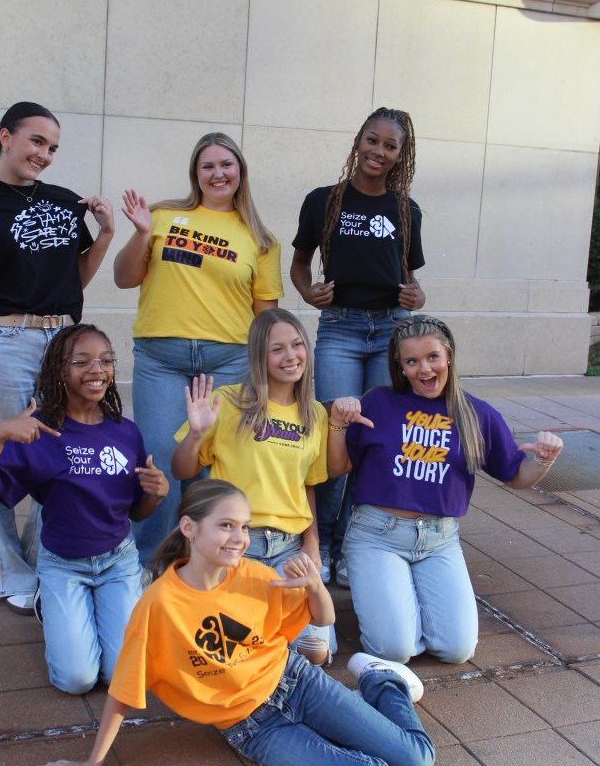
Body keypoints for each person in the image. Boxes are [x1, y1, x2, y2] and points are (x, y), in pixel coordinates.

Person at [31, 480, 435, 766]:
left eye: (244, 527)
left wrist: (314, 584)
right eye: (226, 525)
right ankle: (363, 720)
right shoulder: (158, 606)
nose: (239, 538)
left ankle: (382, 682)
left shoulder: (255, 574)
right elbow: (122, 692)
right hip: (255, 726)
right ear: (189, 528)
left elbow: (324, 619)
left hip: (297, 682)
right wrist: (92, 762)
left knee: (417, 762)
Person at [0, 101, 115, 613]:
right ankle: (8, 574)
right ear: (5, 137)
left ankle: (37, 558)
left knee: (63, 452)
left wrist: (105, 234)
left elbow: (75, 279)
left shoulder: (63, 201)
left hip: (64, 342)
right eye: (36, 141)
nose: (45, 154)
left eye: (52, 148)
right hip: (7, 342)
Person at [327, 314, 565, 665]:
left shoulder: (475, 414)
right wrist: (336, 424)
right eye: (412, 361)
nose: (424, 369)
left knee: (457, 650)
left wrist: (544, 459)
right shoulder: (379, 402)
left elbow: (515, 474)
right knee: (393, 650)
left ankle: (400, 601)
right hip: (377, 536)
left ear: (448, 356)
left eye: (432, 357)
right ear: (401, 366)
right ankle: (390, 605)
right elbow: (338, 468)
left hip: (439, 541)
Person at [0, 324, 169, 694]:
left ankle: (106, 600)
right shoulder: (39, 431)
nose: (97, 369)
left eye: (106, 360)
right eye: (82, 361)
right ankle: (52, 600)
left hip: (117, 562)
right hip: (63, 565)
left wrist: (156, 494)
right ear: (60, 370)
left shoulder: (125, 432)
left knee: (120, 673)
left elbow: (136, 513)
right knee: (77, 680)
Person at [113, 132, 283, 564]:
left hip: (228, 361)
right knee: (160, 459)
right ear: (196, 173)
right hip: (160, 358)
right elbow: (124, 278)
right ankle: (151, 561)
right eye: (208, 166)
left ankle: (203, 560)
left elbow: (266, 319)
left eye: (226, 164)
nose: (217, 173)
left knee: (207, 462)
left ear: (240, 171)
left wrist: (271, 379)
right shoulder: (162, 216)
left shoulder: (261, 239)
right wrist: (142, 234)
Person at [291, 107, 426, 588]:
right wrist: (308, 292)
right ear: (359, 141)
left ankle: (350, 543)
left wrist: (417, 297)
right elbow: (300, 264)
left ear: (400, 155)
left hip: (391, 332)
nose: (379, 151)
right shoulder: (323, 201)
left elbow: (410, 280)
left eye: (390, 146)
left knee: (371, 440)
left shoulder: (406, 211)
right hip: (341, 330)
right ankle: (322, 543)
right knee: (335, 436)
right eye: (373, 140)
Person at [171, 308, 334, 664]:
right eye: (277, 349)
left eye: (297, 345)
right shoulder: (229, 401)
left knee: (315, 653)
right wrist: (196, 434)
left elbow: (307, 486)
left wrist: (312, 545)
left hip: (289, 549)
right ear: (259, 355)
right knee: (236, 653)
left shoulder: (315, 414)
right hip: (235, 546)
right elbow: (181, 470)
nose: (290, 356)